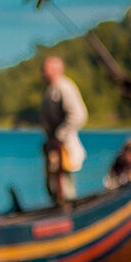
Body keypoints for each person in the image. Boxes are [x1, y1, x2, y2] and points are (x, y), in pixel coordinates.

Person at [39, 55, 87, 205]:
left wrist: (59, 136)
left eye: (44, 69)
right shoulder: (52, 89)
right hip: (55, 149)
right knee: (55, 187)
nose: (41, 72)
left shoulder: (63, 86)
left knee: (64, 189)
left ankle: (67, 216)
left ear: (55, 69)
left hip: (64, 149)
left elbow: (78, 115)